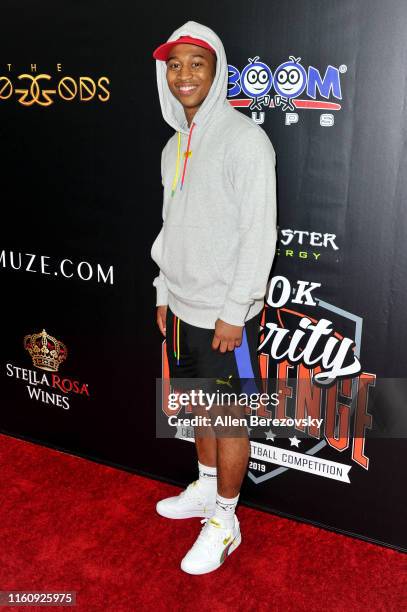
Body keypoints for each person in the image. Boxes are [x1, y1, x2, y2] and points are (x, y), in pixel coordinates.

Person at [151, 20, 277, 575]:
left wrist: (233, 312)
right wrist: (162, 287)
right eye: (174, 64)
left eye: (196, 63)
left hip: (226, 318)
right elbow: (170, 222)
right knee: (200, 407)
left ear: (216, 70)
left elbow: (259, 232)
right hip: (179, 306)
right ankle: (205, 490)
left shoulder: (246, 139)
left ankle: (227, 520)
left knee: (228, 418)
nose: (184, 74)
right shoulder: (173, 145)